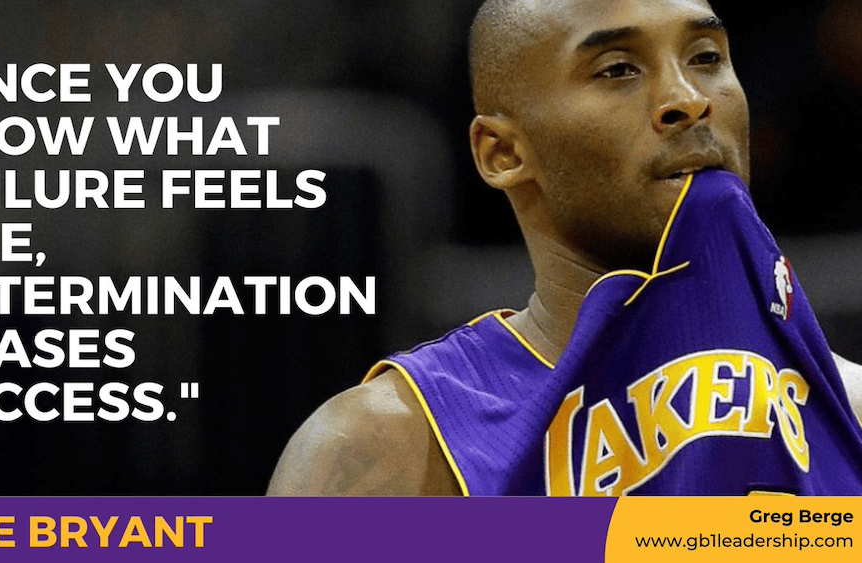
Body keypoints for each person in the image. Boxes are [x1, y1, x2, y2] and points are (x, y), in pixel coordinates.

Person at [267, 0, 862, 496]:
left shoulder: (850, 409)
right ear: (503, 153)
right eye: (619, 70)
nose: (689, 98)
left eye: (706, 58)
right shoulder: (384, 453)